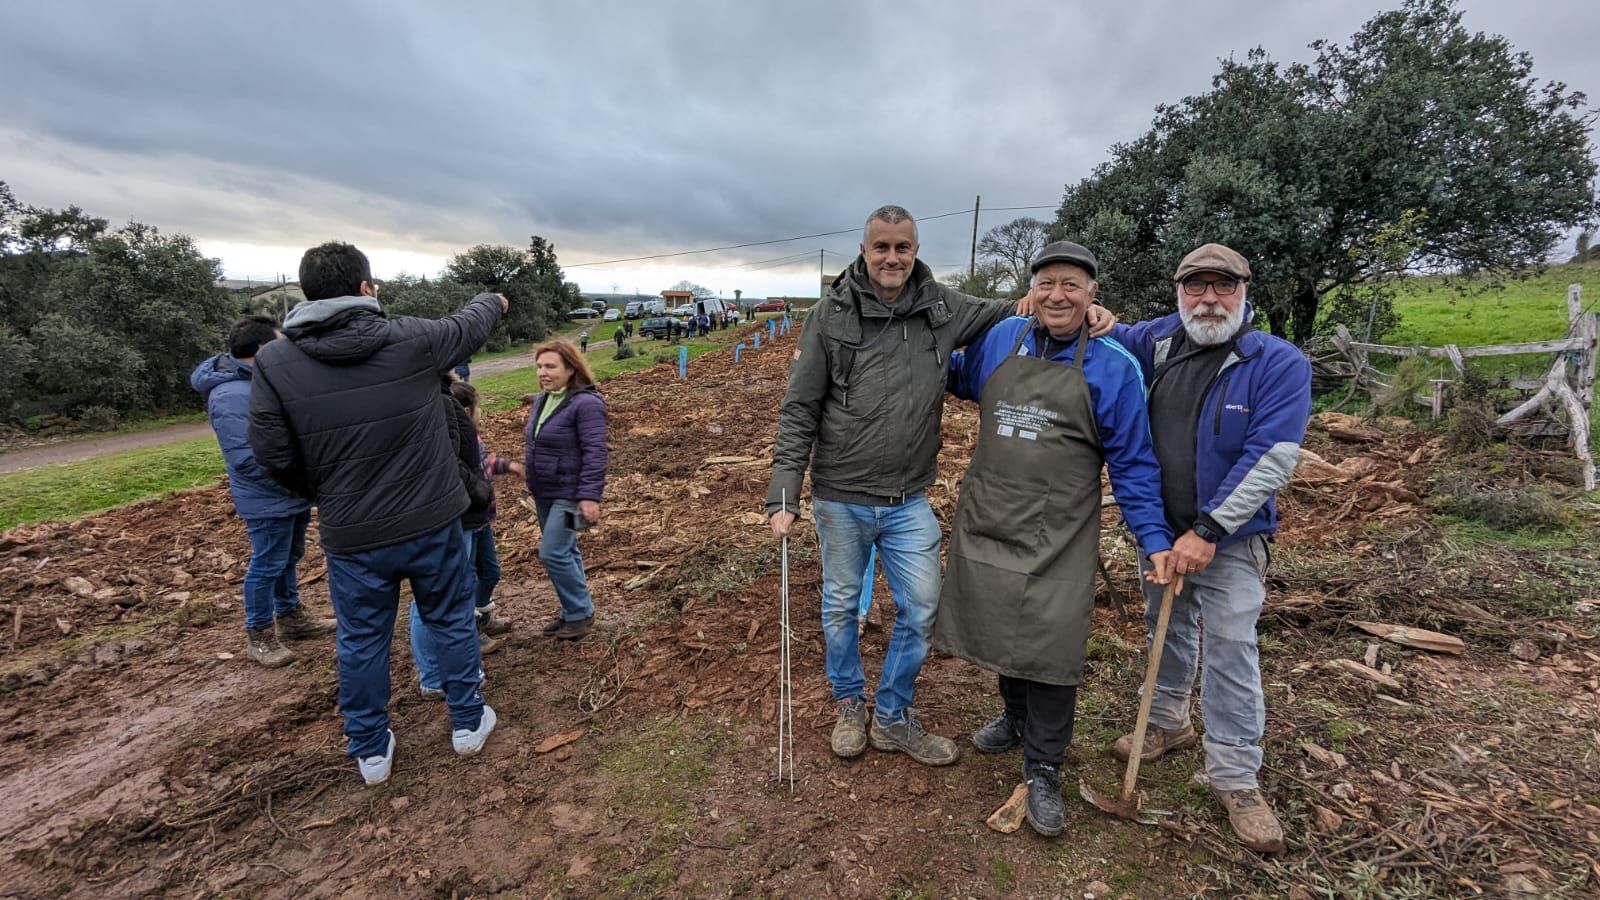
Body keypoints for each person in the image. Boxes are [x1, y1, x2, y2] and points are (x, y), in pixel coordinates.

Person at [765, 205, 1116, 767]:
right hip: (841, 495)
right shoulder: (828, 316)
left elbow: (1019, 308)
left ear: (915, 250)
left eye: (902, 247)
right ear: (864, 250)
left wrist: (1082, 307)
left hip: (908, 499)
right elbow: (799, 407)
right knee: (840, 607)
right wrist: (784, 489)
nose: (892, 258)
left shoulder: (942, 306)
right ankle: (849, 703)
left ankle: (894, 713)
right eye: (881, 247)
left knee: (923, 608)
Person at [935, 241, 1174, 837]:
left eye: (1072, 285)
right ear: (1032, 289)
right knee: (997, 624)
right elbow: (958, 376)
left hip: (1059, 531)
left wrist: (1154, 538)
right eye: (1047, 283)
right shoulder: (1002, 339)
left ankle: (1043, 766)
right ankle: (1014, 719)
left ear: (1093, 294)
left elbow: (1135, 463)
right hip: (991, 514)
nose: (1058, 295)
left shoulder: (1115, 364)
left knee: (1050, 646)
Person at [248, 242, 506, 786]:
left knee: (361, 639)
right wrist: (494, 297)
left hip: (353, 534)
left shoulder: (274, 362)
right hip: (433, 520)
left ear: (307, 294)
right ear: (366, 289)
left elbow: (272, 455)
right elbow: (469, 323)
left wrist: (330, 493)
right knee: (451, 618)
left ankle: (369, 750)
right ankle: (466, 721)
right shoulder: (411, 339)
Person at [1106, 243, 1312, 853]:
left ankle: (1236, 776)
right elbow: (1108, 328)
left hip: (1231, 539)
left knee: (1229, 647)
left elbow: (1270, 458)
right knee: (1165, 629)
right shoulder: (1161, 340)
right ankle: (1167, 720)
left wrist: (1209, 532)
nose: (1209, 300)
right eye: (1196, 287)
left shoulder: (1276, 362)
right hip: (1161, 533)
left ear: (1245, 293)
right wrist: (1072, 309)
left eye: (1223, 288)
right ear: (1179, 293)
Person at [190, 315, 335, 668]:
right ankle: (259, 635)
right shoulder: (230, 396)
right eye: (280, 341)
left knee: (288, 557)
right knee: (267, 562)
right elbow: (246, 459)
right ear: (262, 348)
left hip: (291, 490)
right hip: (268, 496)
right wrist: (295, 481)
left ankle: (291, 618)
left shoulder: (261, 382)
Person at [410, 378, 523, 697]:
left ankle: (481, 619)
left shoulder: (467, 434)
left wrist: (507, 466)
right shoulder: (440, 432)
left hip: (479, 519)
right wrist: (481, 491)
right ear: (470, 410)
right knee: (441, 594)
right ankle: (432, 674)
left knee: (489, 572)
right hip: (458, 522)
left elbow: (480, 463)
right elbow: (458, 473)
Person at [523, 340, 608, 641]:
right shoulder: (542, 400)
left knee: (552, 552)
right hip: (544, 492)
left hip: (571, 495)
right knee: (567, 549)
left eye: (550, 366)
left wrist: (589, 496)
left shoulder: (587, 404)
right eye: (539, 367)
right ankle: (572, 611)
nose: (542, 373)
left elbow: (595, 452)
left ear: (571, 368)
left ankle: (580, 614)